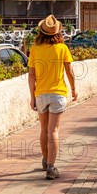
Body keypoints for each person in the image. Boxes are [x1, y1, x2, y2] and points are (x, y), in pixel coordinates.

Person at [28, 14, 77, 180]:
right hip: (58, 94)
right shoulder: (62, 48)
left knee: (43, 130)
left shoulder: (35, 48)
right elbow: (70, 71)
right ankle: (51, 167)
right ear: (58, 33)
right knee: (53, 131)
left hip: (40, 94)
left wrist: (32, 96)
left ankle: (44, 159)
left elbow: (31, 75)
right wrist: (74, 89)